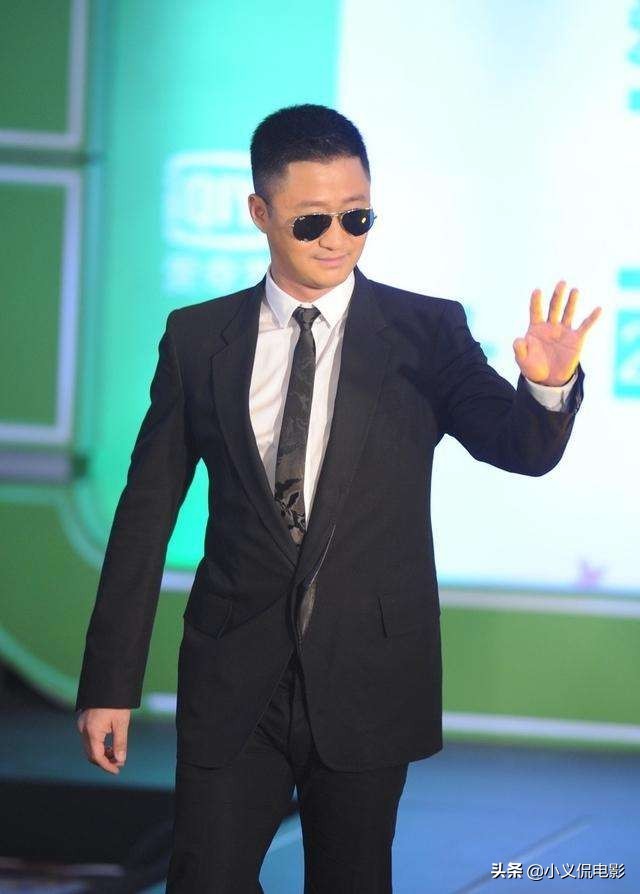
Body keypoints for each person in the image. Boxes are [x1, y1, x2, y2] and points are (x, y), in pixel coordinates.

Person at [75, 103, 602, 893]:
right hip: (233, 680)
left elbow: (520, 448)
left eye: (357, 217)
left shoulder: (425, 331)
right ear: (259, 212)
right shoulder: (198, 339)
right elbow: (145, 518)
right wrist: (109, 686)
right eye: (311, 220)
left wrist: (548, 387)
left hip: (368, 677)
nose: (336, 239)